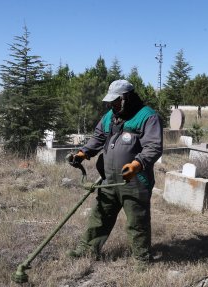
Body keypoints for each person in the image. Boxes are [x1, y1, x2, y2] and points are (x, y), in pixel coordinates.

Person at [67, 80, 163, 266]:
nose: (112, 105)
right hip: (109, 178)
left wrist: (137, 164)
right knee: (100, 215)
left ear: (127, 98)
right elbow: (98, 137)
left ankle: (142, 259)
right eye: (110, 101)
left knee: (137, 221)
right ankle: (86, 250)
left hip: (135, 180)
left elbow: (153, 147)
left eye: (116, 101)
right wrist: (83, 153)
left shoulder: (148, 117)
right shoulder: (110, 116)